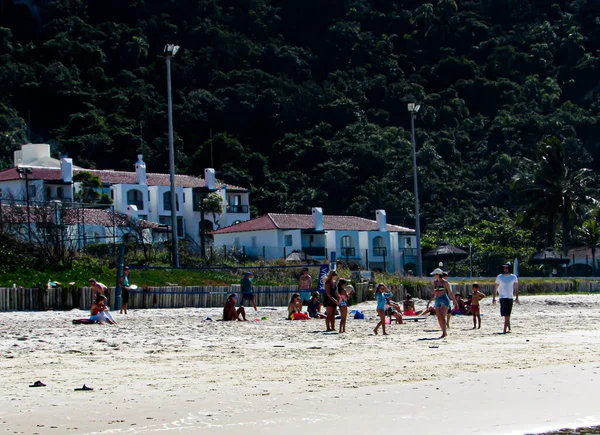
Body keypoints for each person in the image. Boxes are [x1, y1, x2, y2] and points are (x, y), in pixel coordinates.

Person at [427, 268, 457, 338]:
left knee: (443, 316)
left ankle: (444, 332)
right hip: (437, 299)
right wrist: (429, 301)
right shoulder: (434, 282)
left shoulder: (445, 282)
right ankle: (443, 331)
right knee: (439, 317)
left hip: (444, 299)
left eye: (435, 274)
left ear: (438, 274)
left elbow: (449, 292)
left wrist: (454, 301)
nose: (434, 276)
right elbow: (434, 293)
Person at [493, 262, 519, 334]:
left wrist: (516, 297)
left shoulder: (513, 277)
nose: (506, 269)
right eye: (504, 268)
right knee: (505, 314)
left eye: (507, 268)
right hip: (502, 297)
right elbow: (495, 288)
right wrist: (494, 298)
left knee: (508, 313)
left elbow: (516, 288)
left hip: (510, 297)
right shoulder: (499, 277)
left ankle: (508, 328)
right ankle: (505, 329)